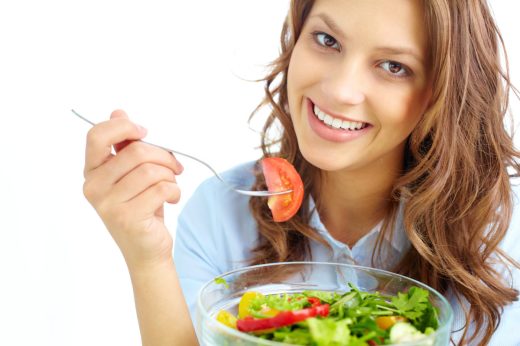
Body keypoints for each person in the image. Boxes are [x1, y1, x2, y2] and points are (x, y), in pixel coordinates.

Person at [82, 0, 520, 345]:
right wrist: (147, 259)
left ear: (440, 94)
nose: (339, 90)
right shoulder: (220, 213)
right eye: (327, 40)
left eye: (394, 67)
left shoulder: (501, 240)